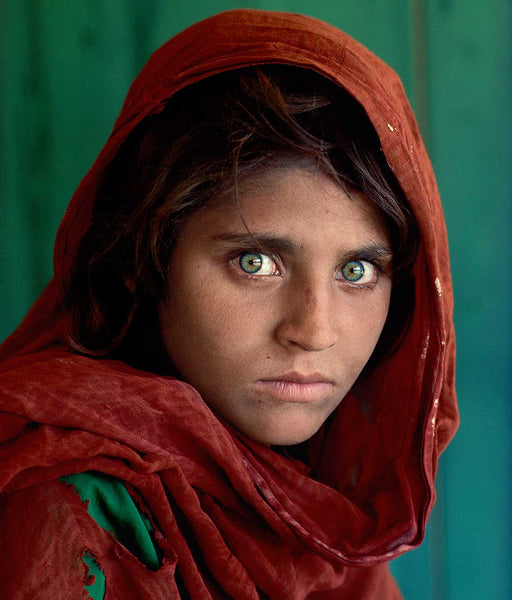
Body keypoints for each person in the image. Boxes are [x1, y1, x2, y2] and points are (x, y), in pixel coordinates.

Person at [0, 9, 458, 599]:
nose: (314, 331)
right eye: (255, 263)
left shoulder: (328, 508)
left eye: (357, 269)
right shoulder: (68, 504)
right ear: (147, 257)